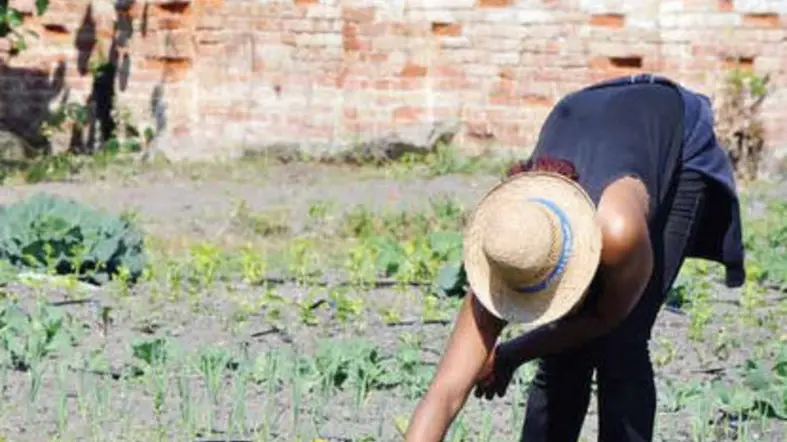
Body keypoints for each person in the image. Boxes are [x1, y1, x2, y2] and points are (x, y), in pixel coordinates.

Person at [404, 74, 746, 442]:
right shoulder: (505, 250)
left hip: (669, 130)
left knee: (623, 342)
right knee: (563, 356)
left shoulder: (619, 230)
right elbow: (443, 394)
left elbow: (604, 316)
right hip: (581, 113)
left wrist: (511, 354)